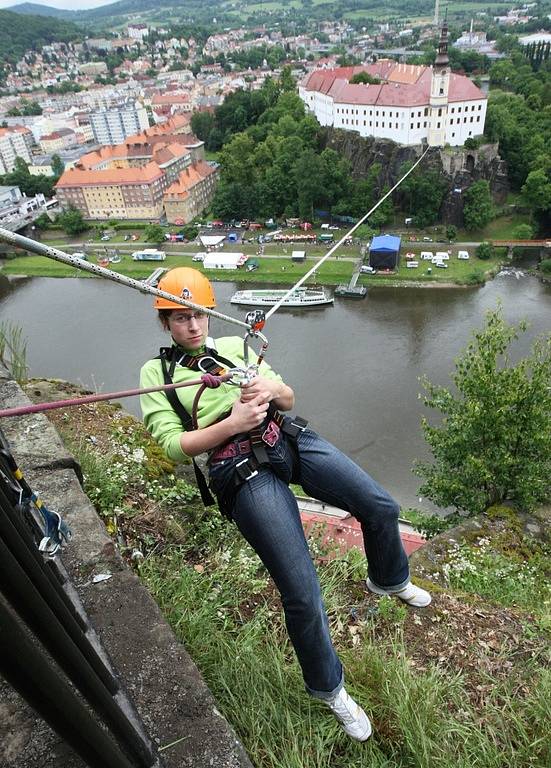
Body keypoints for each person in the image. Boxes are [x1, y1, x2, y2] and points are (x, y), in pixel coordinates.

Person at [140, 267, 431, 743]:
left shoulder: (237, 347)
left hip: (285, 436)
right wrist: (232, 423)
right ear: (165, 323)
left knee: (379, 506)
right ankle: (329, 688)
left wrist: (268, 390)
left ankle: (389, 579)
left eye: (198, 316)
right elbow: (174, 445)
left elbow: (290, 396)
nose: (192, 327)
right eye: (179, 318)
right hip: (237, 466)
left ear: (209, 314)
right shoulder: (157, 373)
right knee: (301, 588)